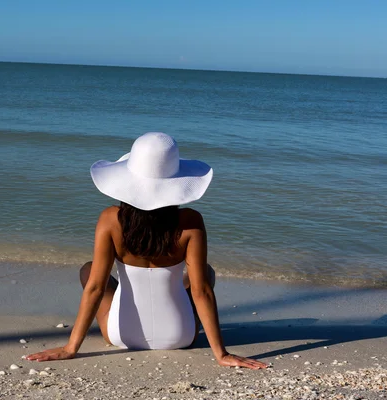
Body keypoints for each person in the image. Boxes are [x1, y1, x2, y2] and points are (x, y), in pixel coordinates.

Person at [27, 132, 267, 369]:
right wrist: (221, 354)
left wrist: (70, 348)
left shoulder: (110, 219)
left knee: (89, 271)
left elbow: (96, 288)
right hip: (180, 337)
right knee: (205, 274)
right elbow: (201, 291)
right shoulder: (190, 222)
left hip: (120, 334)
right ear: (177, 182)